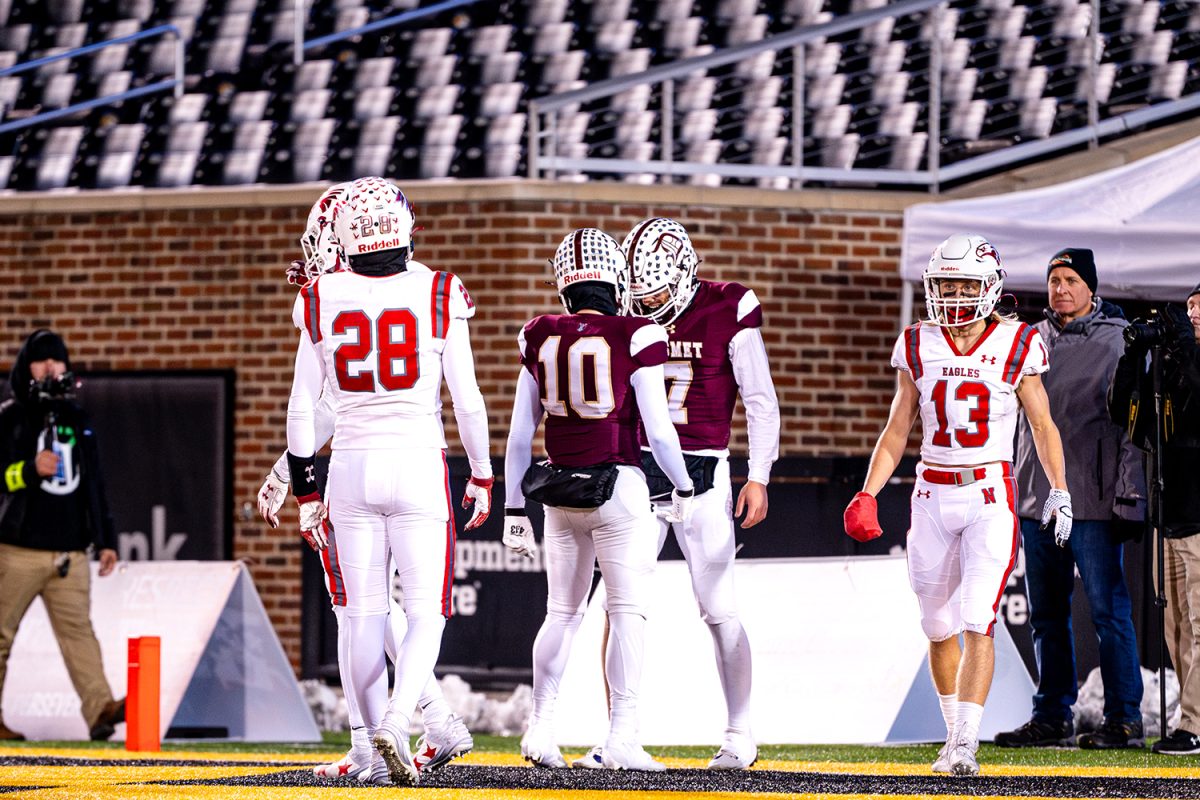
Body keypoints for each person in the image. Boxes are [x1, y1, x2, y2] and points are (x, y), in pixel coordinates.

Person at [258, 183, 474, 780]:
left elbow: (322, 406)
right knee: (373, 610)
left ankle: (381, 740)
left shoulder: (333, 293)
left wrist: (289, 474)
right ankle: (428, 722)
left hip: (359, 464)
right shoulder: (414, 285)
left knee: (356, 610)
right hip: (410, 462)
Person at [844, 234, 1072, 777]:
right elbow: (899, 426)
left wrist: (1059, 490)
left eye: (966, 283)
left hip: (989, 493)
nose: (953, 293)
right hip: (930, 492)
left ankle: (966, 743)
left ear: (989, 286)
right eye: (947, 282)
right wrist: (868, 491)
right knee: (937, 624)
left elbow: (1042, 425)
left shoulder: (1018, 342)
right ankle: (953, 735)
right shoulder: (918, 342)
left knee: (978, 619)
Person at [571, 218, 780, 771]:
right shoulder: (625, 314)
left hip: (704, 469)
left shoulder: (727, 307)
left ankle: (740, 733)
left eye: (658, 294)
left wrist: (759, 473)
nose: (650, 304)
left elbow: (759, 399)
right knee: (621, 607)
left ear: (686, 275)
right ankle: (620, 733)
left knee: (718, 607)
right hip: (637, 470)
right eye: (639, 296)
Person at [502, 228, 695, 772]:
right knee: (627, 612)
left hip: (558, 492)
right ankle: (622, 737)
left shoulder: (538, 334)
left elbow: (520, 435)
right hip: (619, 490)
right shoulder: (637, 335)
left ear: (565, 287)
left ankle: (540, 729)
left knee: (560, 613)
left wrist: (514, 509)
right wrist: (681, 486)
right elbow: (659, 433)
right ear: (616, 281)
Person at [996, 248, 1146, 750]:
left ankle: (1124, 717)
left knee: (1108, 610)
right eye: (1053, 279)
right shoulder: (1030, 339)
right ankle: (1051, 714)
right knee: (1046, 614)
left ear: (1091, 287)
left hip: (1093, 499)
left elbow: (1133, 423)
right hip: (1039, 499)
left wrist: (1129, 489)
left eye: (1070, 279)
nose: (1060, 289)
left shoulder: (1119, 339)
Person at [0, 330, 125, 741]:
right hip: (17, 550)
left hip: (70, 553)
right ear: (26, 367)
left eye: (58, 361)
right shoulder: (11, 417)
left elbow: (95, 484)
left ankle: (100, 710)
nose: (52, 369)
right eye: (42, 361)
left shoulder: (78, 419)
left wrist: (105, 539)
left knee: (80, 637)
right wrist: (27, 469)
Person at [1109, 283, 1200, 755]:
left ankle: (1195, 724)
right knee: (1177, 628)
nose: (1194, 314)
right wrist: (1134, 356)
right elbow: (1125, 416)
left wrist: (1182, 338)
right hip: (1169, 517)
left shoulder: (1189, 359)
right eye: (1189, 307)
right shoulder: (1169, 365)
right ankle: (1191, 720)